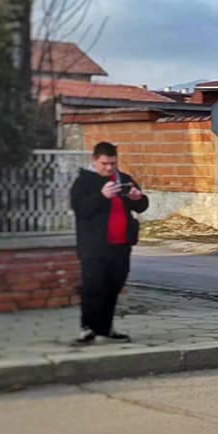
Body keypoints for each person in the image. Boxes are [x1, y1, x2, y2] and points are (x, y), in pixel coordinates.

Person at [70, 141, 148, 345]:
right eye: (105, 163)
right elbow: (80, 208)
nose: (109, 167)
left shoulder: (123, 180)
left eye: (113, 163)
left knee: (114, 286)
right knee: (93, 286)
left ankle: (105, 328)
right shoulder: (84, 182)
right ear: (95, 161)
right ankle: (87, 328)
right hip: (94, 247)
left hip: (121, 245)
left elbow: (141, 206)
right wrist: (102, 196)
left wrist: (138, 198)